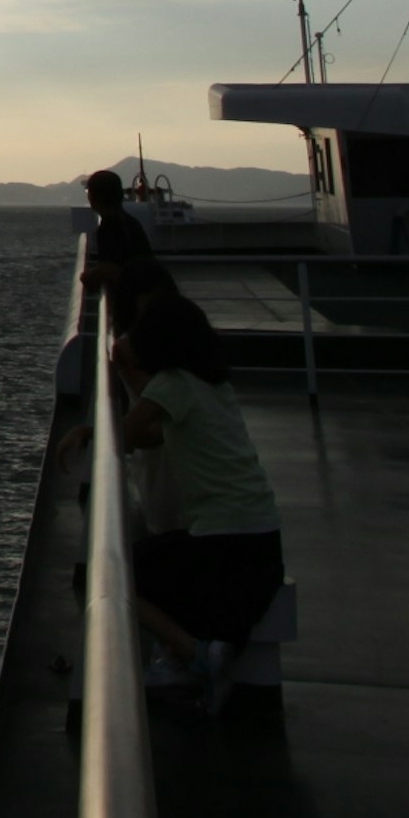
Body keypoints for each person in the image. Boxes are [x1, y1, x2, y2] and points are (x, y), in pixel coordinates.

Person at [116, 293, 282, 710]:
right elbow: (155, 437)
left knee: (116, 574)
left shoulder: (172, 384)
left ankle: (193, 652)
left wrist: (129, 377)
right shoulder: (213, 384)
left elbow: (126, 435)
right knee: (159, 557)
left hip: (225, 551)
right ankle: (185, 656)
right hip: (263, 546)